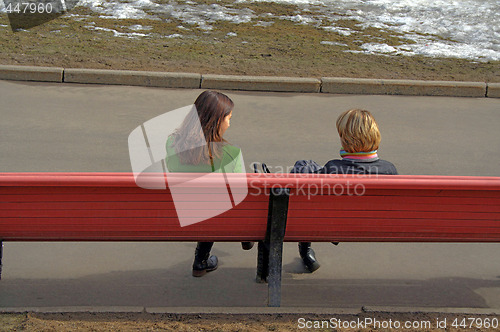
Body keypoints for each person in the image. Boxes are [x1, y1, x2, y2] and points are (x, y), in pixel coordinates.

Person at [292, 109, 398, 272]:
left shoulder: (333, 168)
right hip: (371, 223)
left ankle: (305, 248)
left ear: (345, 140)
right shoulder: (389, 169)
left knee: (304, 171)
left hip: (333, 223)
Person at [165, 90, 250, 277]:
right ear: (216, 121)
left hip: (179, 211)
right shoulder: (230, 154)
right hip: (216, 216)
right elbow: (240, 193)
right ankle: (247, 236)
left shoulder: (171, 143)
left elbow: (172, 169)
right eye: (228, 118)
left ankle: (200, 262)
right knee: (218, 204)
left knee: (208, 201)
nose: (230, 123)